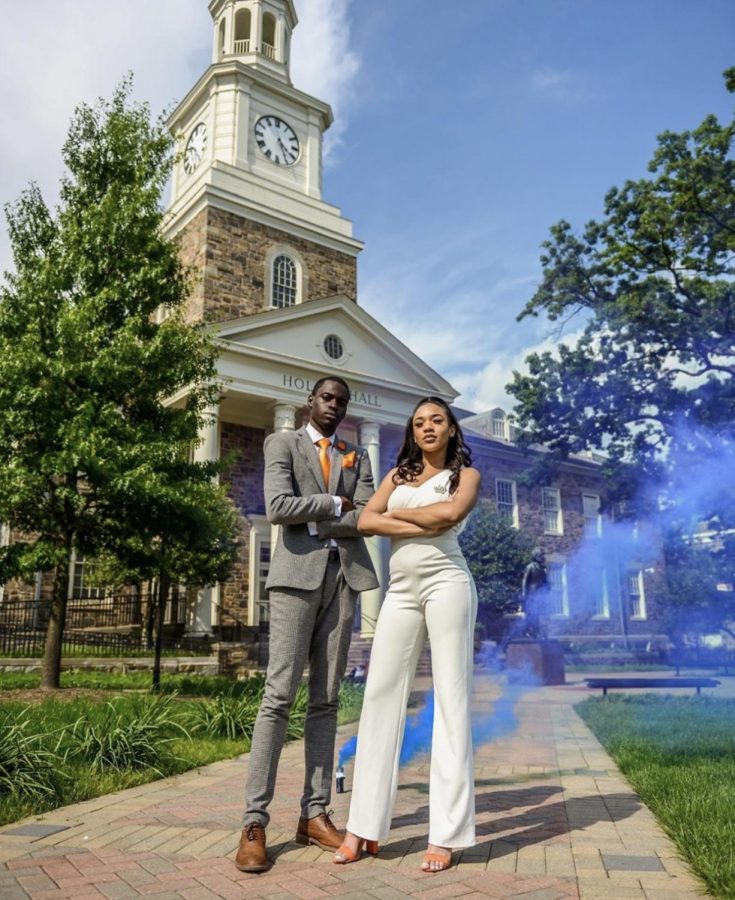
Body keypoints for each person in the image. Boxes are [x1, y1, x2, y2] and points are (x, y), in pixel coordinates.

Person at [235, 376, 379, 873]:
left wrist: (321, 514)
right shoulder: (282, 443)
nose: (334, 407)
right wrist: (335, 505)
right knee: (277, 697)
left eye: (342, 402)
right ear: (310, 402)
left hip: (344, 581)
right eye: (327, 398)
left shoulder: (356, 455)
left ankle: (314, 814)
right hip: (296, 581)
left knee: (327, 700)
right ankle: (254, 822)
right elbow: (277, 508)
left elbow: (366, 515)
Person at [334, 396, 481, 873]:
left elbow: (449, 517)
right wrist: (426, 516)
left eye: (437, 420)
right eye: (419, 422)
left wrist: (402, 522)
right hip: (400, 590)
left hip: (448, 584)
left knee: (451, 700)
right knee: (379, 696)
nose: (427, 427)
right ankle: (364, 827)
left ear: (452, 429)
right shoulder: (398, 476)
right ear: (412, 432)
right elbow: (364, 519)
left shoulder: (467, 477)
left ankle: (447, 833)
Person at [520, 547, 548, 639]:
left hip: (540, 595)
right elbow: (525, 580)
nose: (543, 557)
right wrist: (524, 594)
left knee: (538, 615)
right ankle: (528, 632)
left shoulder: (542, 568)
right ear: (536, 556)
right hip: (532, 595)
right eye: (541, 555)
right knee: (531, 614)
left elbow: (545, 583)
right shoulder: (530, 566)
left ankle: (536, 632)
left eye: (543, 555)